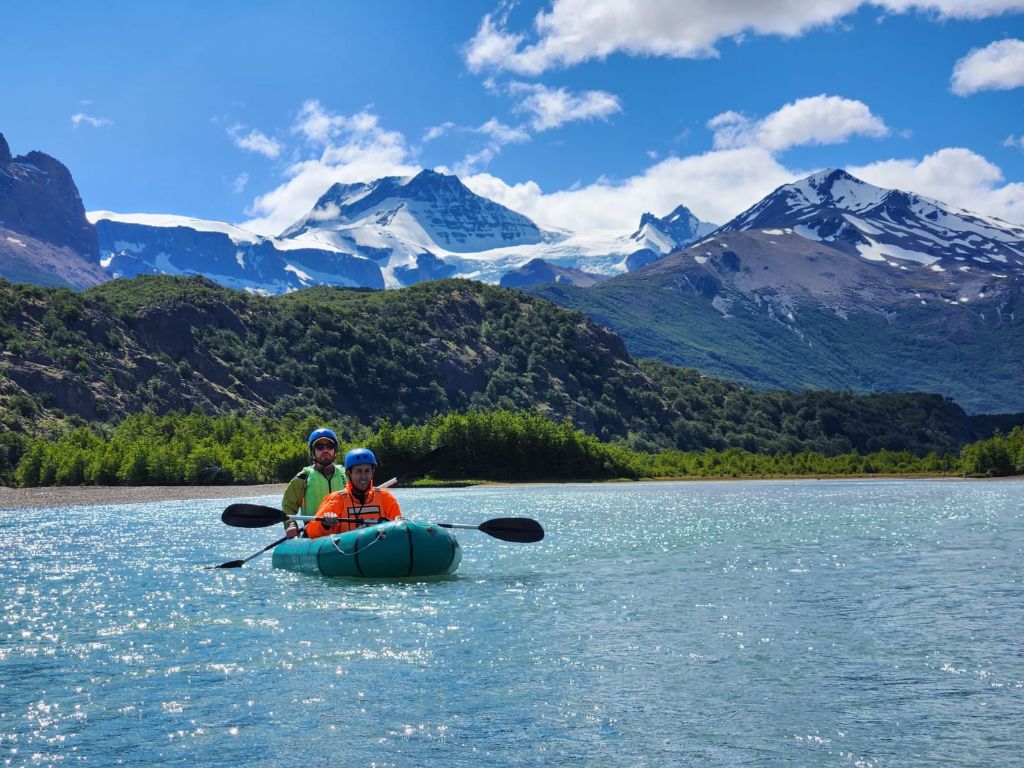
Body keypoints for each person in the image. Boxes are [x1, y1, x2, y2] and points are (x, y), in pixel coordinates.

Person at [304, 447, 402, 539]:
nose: (363, 477)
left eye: (367, 471)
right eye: (359, 471)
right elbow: (311, 532)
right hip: (348, 553)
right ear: (348, 473)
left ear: (373, 472)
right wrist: (324, 524)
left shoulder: (386, 498)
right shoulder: (335, 500)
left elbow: (399, 529)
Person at [280, 427, 345, 539]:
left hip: (345, 533)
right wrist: (290, 525)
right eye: (320, 447)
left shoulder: (347, 474)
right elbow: (288, 507)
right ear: (313, 452)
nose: (325, 450)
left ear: (335, 450)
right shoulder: (303, 478)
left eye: (329, 446)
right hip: (314, 534)